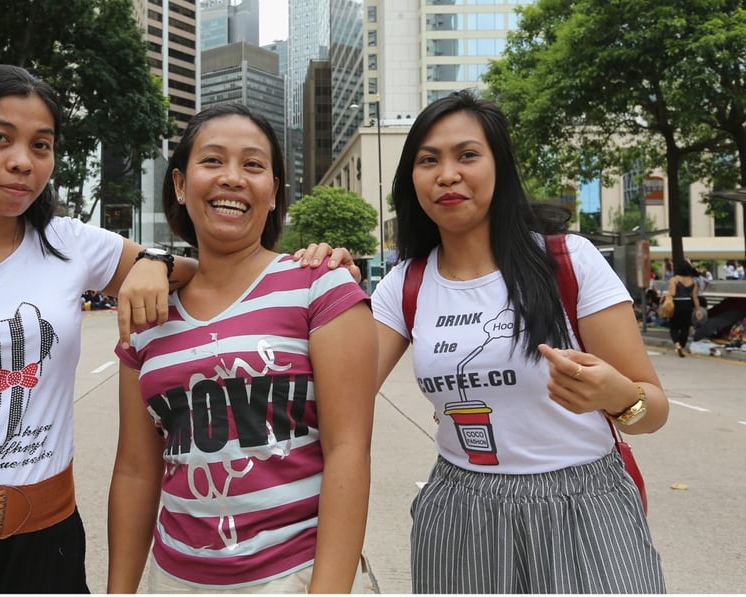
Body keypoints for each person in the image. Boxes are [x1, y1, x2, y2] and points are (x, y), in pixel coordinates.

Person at [0, 65, 347, 594]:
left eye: (41, 145)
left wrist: (157, 262)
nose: (22, 161)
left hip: (40, 544)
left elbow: (208, 272)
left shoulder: (71, 244)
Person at [370, 90, 668, 593]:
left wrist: (617, 395)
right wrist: (323, 282)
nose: (447, 174)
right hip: (460, 515)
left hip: (586, 508)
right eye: (428, 160)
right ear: (412, 179)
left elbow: (653, 410)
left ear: (499, 166)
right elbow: (342, 392)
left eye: (467, 155)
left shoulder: (569, 261)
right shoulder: (403, 285)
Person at [107, 104, 377, 594]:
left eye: (252, 165)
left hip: (291, 576)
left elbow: (348, 452)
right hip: (174, 579)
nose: (232, 177)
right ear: (180, 184)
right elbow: (135, 471)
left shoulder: (320, 287)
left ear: (273, 192)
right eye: (212, 161)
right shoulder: (148, 317)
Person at [667, 259, 702, 357]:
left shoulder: (674, 279)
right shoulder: (693, 281)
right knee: (685, 327)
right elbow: (695, 297)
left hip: (677, 303)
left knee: (674, 326)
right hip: (688, 304)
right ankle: (682, 344)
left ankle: (677, 344)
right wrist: (698, 310)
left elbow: (672, 293)